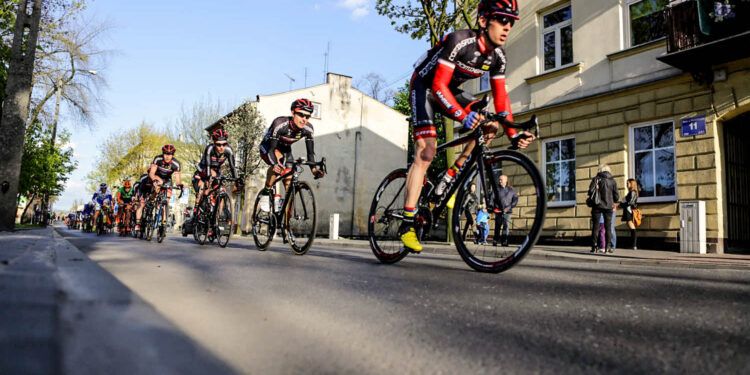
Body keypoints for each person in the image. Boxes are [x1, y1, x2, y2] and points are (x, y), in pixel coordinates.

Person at [399, 0, 536, 252]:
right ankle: (407, 224)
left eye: (511, 22)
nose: (508, 27)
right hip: (426, 88)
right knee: (427, 151)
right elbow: (438, 86)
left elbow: (501, 97)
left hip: (450, 91)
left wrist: (513, 133)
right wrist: (463, 117)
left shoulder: (498, 56)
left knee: (491, 126)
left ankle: (451, 177)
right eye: (502, 20)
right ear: (484, 21)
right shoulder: (459, 41)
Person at [259, 98, 325, 195]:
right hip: (268, 147)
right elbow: (272, 150)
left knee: (289, 182)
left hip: (286, 150)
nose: (304, 119)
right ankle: (266, 191)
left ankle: (287, 208)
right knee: (279, 164)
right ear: (293, 113)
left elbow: (310, 153)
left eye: (307, 117)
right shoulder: (280, 124)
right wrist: (274, 165)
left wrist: (314, 170)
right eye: (301, 115)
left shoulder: (308, 129)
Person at [192, 129, 241, 215]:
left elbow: (232, 167)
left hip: (215, 171)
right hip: (203, 170)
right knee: (206, 188)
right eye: (218, 144)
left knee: (222, 191)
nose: (222, 147)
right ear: (214, 143)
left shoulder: (228, 150)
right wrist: (207, 180)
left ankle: (216, 219)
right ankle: (198, 208)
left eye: (224, 144)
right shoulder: (210, 149)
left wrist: (236, 180)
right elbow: (207, 166)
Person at [135, 145, 182, 232]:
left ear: (173, 155)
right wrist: (154, 180)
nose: (167, 156)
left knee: (166, 199)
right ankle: (152, 200)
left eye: (170, 154)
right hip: (157, 176)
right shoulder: (158, 159)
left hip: (167, 179)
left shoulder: (176, 164)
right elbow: (152, 172)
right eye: (165, 154)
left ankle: (163, 221)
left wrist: (179, 185)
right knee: (158, 184)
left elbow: (178, 179)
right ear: (163, 154)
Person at [589, 165, 619, 253]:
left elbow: (590, 192)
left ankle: (594, 247)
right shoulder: (613, 181)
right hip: (609, 206)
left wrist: (597, 189)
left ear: (600, 170)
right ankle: (608, 247)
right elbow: (616, 197)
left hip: (597, 205)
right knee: (608, 227)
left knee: (595, 226)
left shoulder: (596, 179)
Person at [492, 174, 518, 247]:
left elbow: (515, 199)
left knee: (506, 226)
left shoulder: (511, 190)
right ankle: (495, 240)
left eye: (501, 180)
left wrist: (510, 207)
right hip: (498, 211)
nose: (499, 181)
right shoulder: (496, 189)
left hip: (507, 211)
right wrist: (492, 207)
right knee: (498, 225)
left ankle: (504, 240)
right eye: (499, 179)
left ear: (506, 180)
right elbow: (492, 198)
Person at [621, 178, 639, 250]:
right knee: (631, 228)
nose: (626, 184)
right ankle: (633, 245)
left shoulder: (632, 192)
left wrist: (622, 204)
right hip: (629, 210)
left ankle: (634, 245)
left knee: (632, 228)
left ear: (632, 184)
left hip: (629, 211)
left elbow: (630, 202)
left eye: (627, 183)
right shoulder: (631, 192)